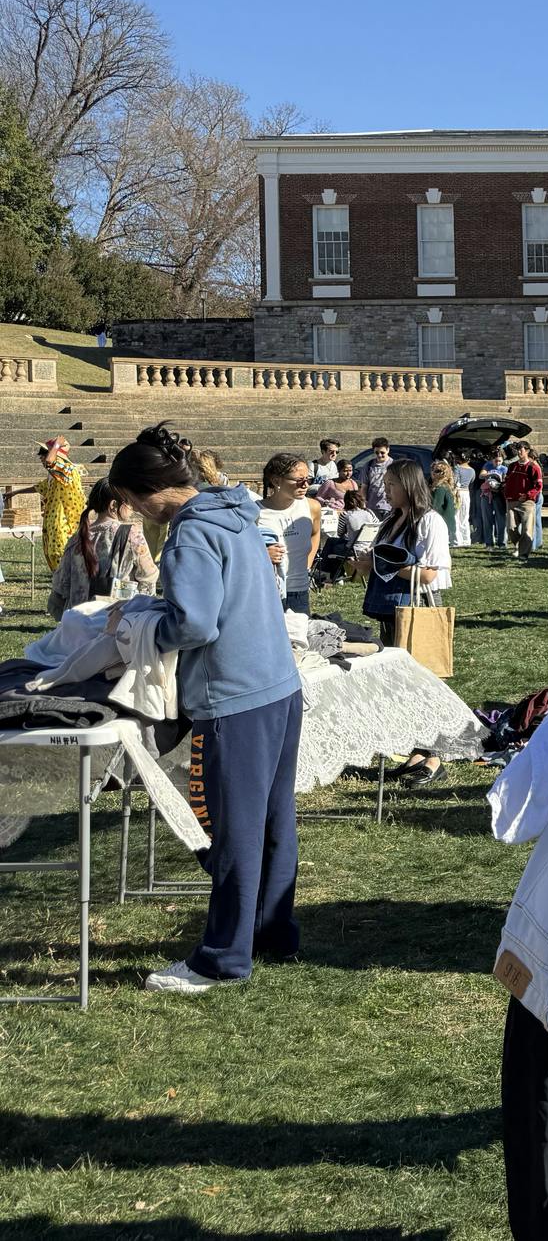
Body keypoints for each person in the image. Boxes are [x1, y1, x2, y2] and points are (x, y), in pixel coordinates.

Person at [104, 425, 303, 994]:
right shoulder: (234, 511)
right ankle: (270, 932)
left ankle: (222, 957)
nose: (135, 512)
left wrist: (139, 624)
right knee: (271, 821)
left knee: (236, 830)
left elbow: (194, 623)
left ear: (149, 493)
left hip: (235, 696)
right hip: (277, 687)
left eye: (131, 501)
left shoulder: (191, 534)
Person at [357, 461, 453, 784]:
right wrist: (366, 563)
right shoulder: (390, 520)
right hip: (389, 609)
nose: (387, 490)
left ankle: (435, 757)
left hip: (417, 608)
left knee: (425, 681)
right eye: (386, 483)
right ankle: (415, 751)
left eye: (393, 484)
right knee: (401, 684)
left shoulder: (430, 521)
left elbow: (431, 572)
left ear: (409, 485)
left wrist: (387, 565)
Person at [47, 480, 158, 618]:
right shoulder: (131, 534)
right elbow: (148, 576)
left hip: (79, 622)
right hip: (116, 621)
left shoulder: (76, 539)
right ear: (113, 505)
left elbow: (60, 586)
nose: (132, 507)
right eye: (128, 502)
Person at [3, 437, 88, 572]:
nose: (42, 460)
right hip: (53, 523)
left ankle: (65, 581)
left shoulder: (67, 470)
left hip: (65, 524)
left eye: (43, 456)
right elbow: (39, 487)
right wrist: (15, 493)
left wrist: (56, 445)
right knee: (51, 554)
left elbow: (50, 462)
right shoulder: (53, 476)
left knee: (61, 554)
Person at [257, 453, 320, 616]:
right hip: (265, 593)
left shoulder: (312, 507)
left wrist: (308, 563)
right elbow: (239, 550)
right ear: (276, 481)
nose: (306, 485)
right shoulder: (254, 512)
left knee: (298, 640)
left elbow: (315, 533)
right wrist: (263, 554)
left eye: (308, 479)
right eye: (299, 480)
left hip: (299, 593)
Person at [502, 442, 542, 559]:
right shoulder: (512, 466)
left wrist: (528, 495)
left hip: (527, 502)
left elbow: (538, 486)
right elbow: (507, 481)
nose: (519, 452)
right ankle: (519, 546)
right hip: (511, 501)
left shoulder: (533, 467)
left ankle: (523, 554)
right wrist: (506, 493)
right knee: (510, 528)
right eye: (518, 449)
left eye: (521, 450)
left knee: (527, 529)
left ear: (527, 451)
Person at [358, 437, 394, 516]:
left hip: (389, 507)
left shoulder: (394, 465)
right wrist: (363, 503)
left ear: (388, 450)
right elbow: (364, 487)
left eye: (382, 452)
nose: (379, 455)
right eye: (377, 452)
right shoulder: (368, 465)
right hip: (372, 507)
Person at [428, 460, 460, 545]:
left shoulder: (440, 488)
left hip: (442, 525)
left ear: (442, 473)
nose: (433, 473)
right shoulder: (446, 486)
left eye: (436, 471)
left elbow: (434, 507)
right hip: (447, 525)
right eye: (432, 470)